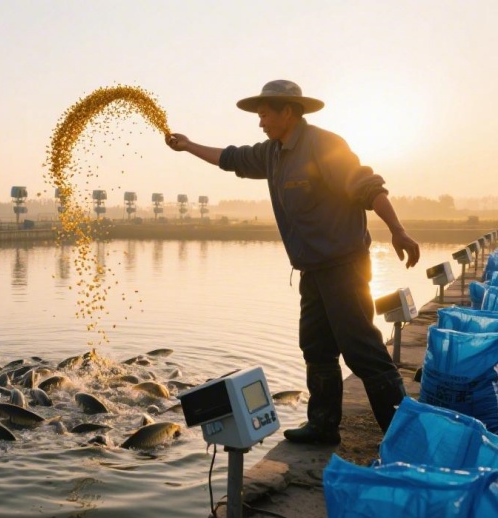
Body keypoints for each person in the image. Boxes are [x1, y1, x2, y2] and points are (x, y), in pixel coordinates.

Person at [166, 80, 420, 445]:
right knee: (316, 347)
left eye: (265, 114)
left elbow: (370, 187)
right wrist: (188, 146)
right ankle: (322, 426)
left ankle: (403, 438)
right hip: (312, 270)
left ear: (288, 111)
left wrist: (398, 230)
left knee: (362, 349)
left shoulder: (324, 145)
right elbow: (231, 158)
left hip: (344, 268)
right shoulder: (272, 153)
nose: (260, 122)